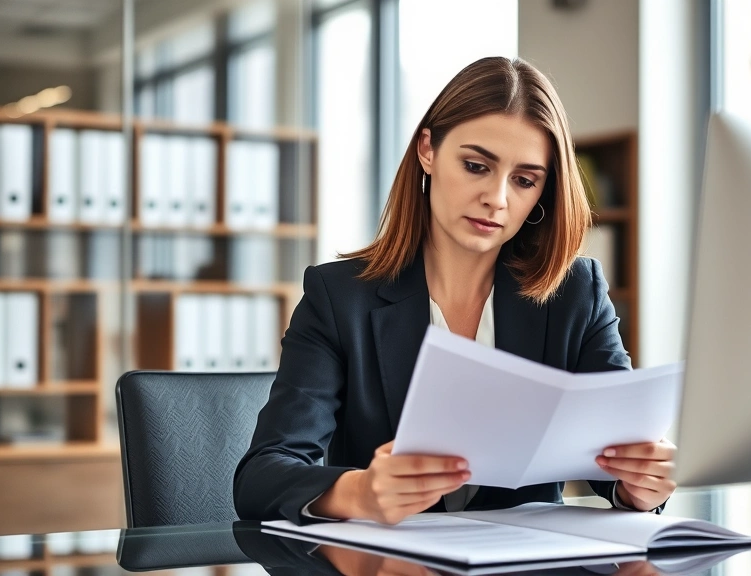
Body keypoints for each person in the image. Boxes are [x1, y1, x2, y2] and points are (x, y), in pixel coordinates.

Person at [234, 56, 676, 525]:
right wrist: (359, 492)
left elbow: (614, 460)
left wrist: (639, 485)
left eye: (524, 180)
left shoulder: (576, 294)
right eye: (475, 165)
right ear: (428, 149)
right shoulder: (339, 298)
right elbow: (262, 476)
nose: (498, 198)